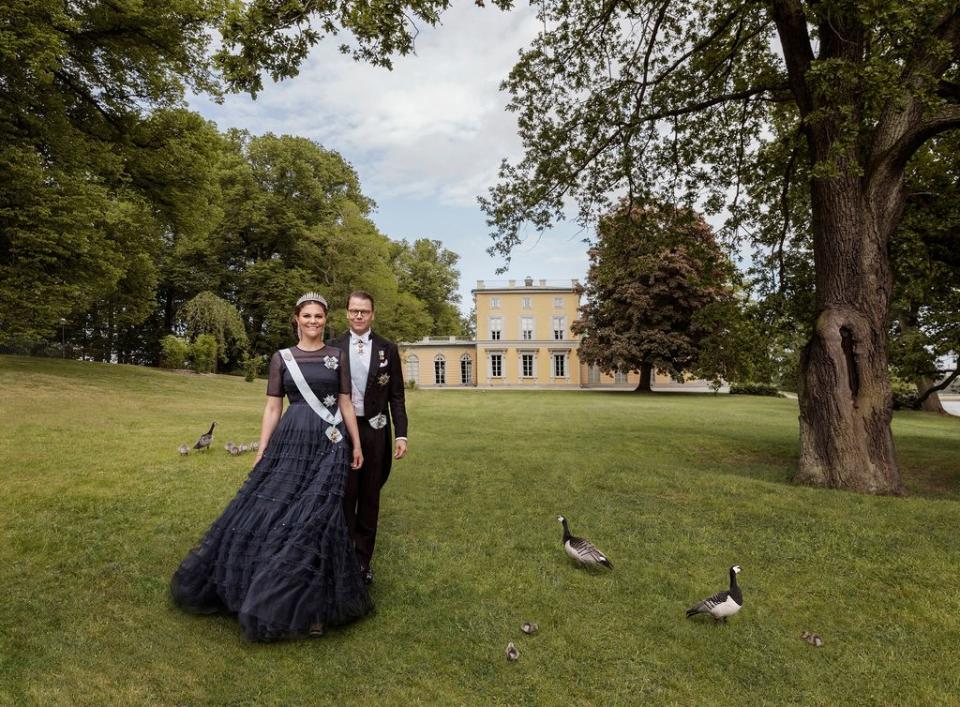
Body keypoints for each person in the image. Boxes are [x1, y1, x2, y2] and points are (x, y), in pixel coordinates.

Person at [170, 292, 373, 641]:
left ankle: (312, 608)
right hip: (291, 442)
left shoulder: (337, 356)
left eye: (319, 317)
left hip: (330, 442)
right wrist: (263, 446)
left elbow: (345, 403)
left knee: (319, 515)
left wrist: (355, 443)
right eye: (307, 316)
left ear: (326, 320)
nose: (313, 322)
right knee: (274, 510)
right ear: (296, 319)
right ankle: (265, 587)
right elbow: (272, 408)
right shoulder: (281, 359)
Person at [329, 291, 408, 585]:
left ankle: (363, 562)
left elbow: (397, 396)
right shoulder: (333, 346)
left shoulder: (388, 348)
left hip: (376, 430)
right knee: (345, 493)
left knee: (370, 496)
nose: (358, 315)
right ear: (347, 313)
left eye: (364, 311)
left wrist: (401, 434)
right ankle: (344, 554)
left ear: (373, 314)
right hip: (343, 430)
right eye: (354, 311)